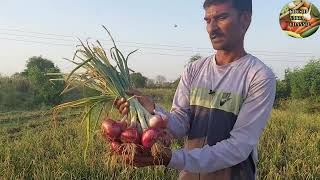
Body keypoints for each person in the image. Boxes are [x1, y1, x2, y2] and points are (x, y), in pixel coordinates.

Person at [115, 0, 276, 179]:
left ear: (245, 19)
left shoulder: (258, 76)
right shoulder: (194, 70)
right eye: (207, 20)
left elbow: (238, 147)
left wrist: (171, 158)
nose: (211, 28)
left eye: (221, 17)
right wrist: (150, 109)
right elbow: (181, 125)